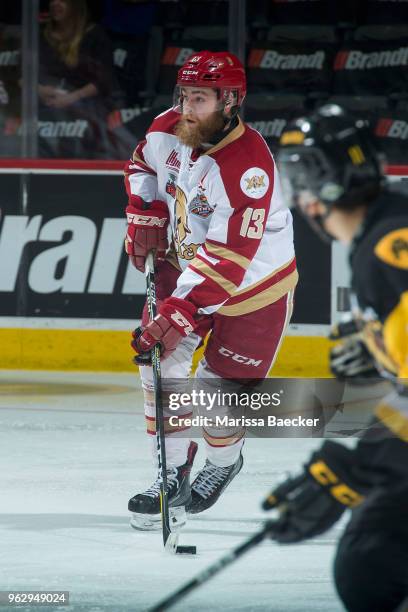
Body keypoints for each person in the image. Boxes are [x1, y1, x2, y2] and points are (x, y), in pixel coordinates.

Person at [124, 51, 297, 530]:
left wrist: (177, 312)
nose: (186, 106)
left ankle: (224, 462)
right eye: (183, 94)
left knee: (216, 398)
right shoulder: (167, 128)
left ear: (231, 101)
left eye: (199, 98)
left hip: (253, 288)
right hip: (186, 269)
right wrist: (146, 211)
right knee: (162, 368)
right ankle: (172, 474)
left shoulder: (247, 167)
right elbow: (142, 162)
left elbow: (228, 260)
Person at [263, 104, 408, 612]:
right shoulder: (388, 229)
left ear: (317, 186)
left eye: (296, 181)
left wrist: (355, 467)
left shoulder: (386, 250)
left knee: (371, 565)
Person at [38, 0, 115, 157]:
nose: (55, 4)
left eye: (63, 0)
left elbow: (103, 80)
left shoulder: (94, 35)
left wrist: (72, 97)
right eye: (52, 0)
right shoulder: (40, 34)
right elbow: (20, 75)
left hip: (85, 104)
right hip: (45, 103)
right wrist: (38, 89)